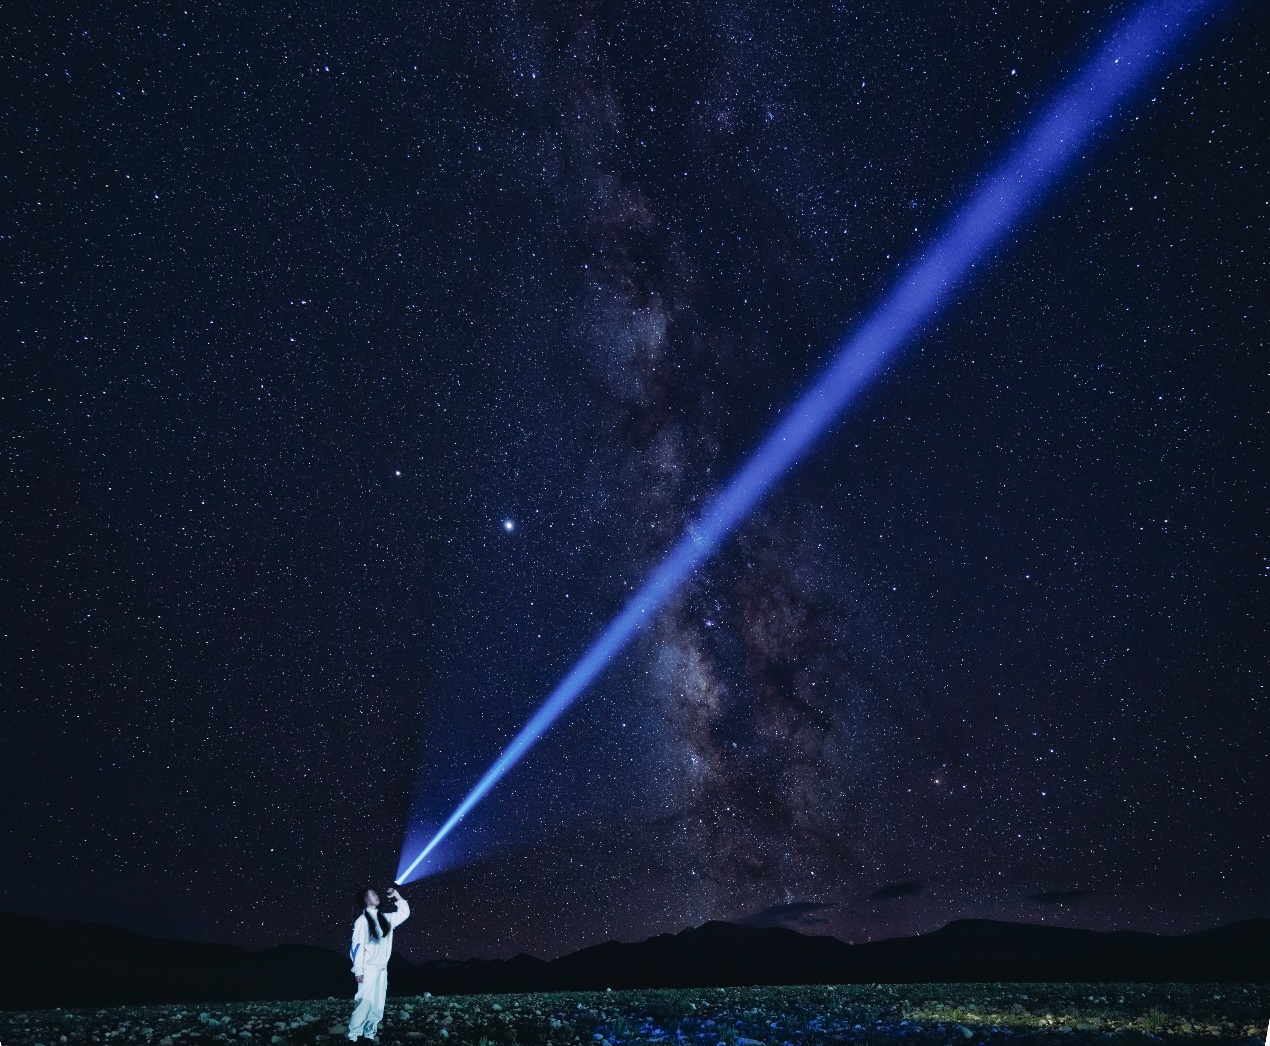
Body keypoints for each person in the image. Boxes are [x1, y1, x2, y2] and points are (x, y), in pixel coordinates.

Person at [348, 885, 410, 1041]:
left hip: (382, 969)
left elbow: (404, 913)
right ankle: (354, 1037)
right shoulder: (362, 921)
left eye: (375, 893)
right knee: (364, 1004)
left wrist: (397, 896)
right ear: (365, 900)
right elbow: (357, 946)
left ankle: (369, 1035)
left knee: (377, 1006)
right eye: (372, 894)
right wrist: (358, 970)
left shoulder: (385, 918)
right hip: (368, 969)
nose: (376, 895)